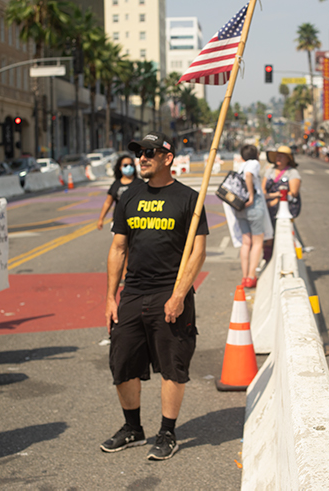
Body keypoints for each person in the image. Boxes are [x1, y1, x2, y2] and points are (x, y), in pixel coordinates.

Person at [103, 131, 208, 461]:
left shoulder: (189, 198)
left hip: (170, 291)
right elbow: (118, 247)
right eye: (139, 152)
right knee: (122, 361)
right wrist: (110, 297)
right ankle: (133, 427)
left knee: (172, 365)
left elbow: (197, 252)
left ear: (168, 158)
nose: (142, 157)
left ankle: (167, 431)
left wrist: (179, 295)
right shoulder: (129, 197)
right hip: (133, 292)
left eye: (150, 152)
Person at [234, 145, 265, 289]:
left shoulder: (241, 165)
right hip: (253, 207)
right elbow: (248, 175)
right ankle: (251, 277)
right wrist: (251, 196)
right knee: (257, 242)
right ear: (257, 154)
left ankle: (244, 276)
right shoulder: (254, 164)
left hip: (240, 208)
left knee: (246, 242)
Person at [97, 155, 139, 231]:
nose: (129, 167)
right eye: (125, 165)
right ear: (120, 167)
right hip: (119, 222)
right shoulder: (116, 184)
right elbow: (108, 203)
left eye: (131, 165)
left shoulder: (140, 184)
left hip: (136, 223)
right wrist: (101, 219)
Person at [262, 145, 301, 223]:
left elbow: (293, 192)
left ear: (288, 159)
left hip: (283, 207)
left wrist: (274, 202)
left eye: (282, 156)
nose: (279, 158)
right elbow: (263, 188)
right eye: (278, 156)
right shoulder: (270, 170)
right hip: (267, 207)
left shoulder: (292, 172)